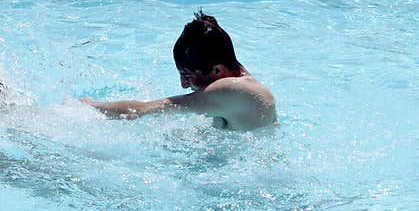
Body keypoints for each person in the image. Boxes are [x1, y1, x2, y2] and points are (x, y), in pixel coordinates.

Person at [82, 11, 277, 131]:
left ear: (217, 70)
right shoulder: (243, 87)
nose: (184, 84)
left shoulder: (232, 90)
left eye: (188, 75)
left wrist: (90, 106)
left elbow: (142, 110)